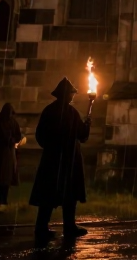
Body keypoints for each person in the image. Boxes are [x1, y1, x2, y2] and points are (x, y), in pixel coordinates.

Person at [29, 77, 91, 242]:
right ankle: (56, 227)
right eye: (71, 93)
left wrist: (86, 125)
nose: (73, 96)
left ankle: (53, 227)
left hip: (58, 159)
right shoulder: (66, 112)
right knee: (58, 194)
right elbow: (82, 136)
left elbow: (80, 135)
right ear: (66, 94)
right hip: (62, 160)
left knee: (60, 194)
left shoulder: (56, 111)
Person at [0, 103, 23, 211]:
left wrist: (12, 141)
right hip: (0, 152)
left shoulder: (13, 123)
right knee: (0, 177)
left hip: (9, 152)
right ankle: (0, 199)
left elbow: (18, 135)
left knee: (7, 177)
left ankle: (4, 199)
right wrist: (0, 142)